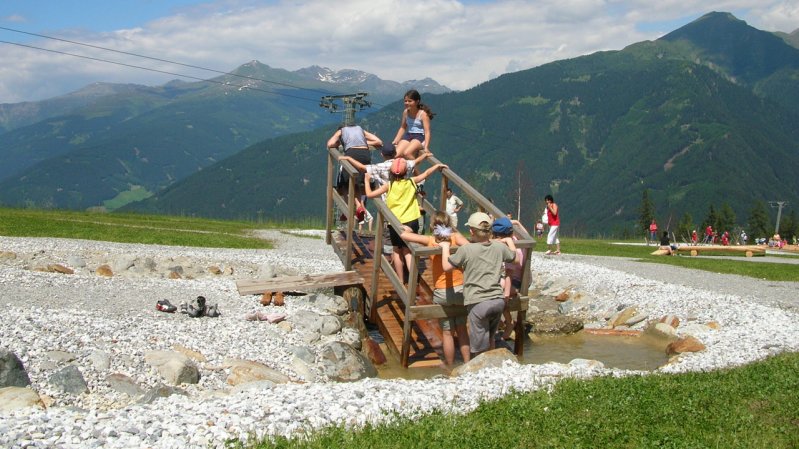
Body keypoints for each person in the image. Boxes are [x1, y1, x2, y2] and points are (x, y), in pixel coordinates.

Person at [441, 212, 518, 356]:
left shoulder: (466, 250)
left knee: (478, 348)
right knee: (490, 338)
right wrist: (509, 241)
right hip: (497, 301)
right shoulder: (498, 247)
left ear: (471, 231)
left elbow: (446, 266)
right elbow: (516, 259)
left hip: (478, 303)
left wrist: (445, 248)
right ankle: (492, 367)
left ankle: (479, 371)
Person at [400, 212, 471, 367]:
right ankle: (467, 363)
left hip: (441, 291)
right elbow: (470, 249)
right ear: (450, 224)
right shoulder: (456, 238)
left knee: (447, 332)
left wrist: (408, 230)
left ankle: (450, 365)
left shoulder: (431, 240)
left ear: (433, 226)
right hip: (460, 289)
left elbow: (404, 236)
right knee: (462, 329)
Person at [365, 158, 447, 281]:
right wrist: (437, 166)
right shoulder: (412, 182)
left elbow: (370, 195)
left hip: (395, 222)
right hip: (412, 220)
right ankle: (414, 279)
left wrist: (367, 181)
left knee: (397, 251)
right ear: (406, 172)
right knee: (408, 250)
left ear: (391, 173)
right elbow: (425, 174)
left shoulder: (389, 185)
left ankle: (401, 280)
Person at [327, 123, 382, 220]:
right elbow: (378, 141)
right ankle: (358, 207)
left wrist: (339, 142)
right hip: (365, 155)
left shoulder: (341, 130)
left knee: (344, 183)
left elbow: (330, 144)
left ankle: (349, 209)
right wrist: (364, 143)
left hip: (352, 154)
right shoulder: (360, 129)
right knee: (356, 183)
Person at [492, 216, 527, 340]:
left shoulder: (508, 248)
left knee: (494, 290)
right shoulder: (519, 239)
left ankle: (508, 322)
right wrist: (516, 222)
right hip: (525, 280)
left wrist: (506, 296)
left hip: (516, 283)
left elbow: (509, 274)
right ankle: (500, 322)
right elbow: (527, 235)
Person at [391, 89, 434, 160]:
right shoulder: (405, 112)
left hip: (420, 136)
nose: (407, 103)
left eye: (410, 101)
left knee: (407, 153)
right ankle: (405, 169)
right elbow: (403, 127)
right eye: (405, 101)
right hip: (409, 135)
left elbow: (427, 132)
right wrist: (396, 140)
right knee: (395, 155)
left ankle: (416, 171)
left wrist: (426, 147)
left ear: (417, 101)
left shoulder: (423, 114)